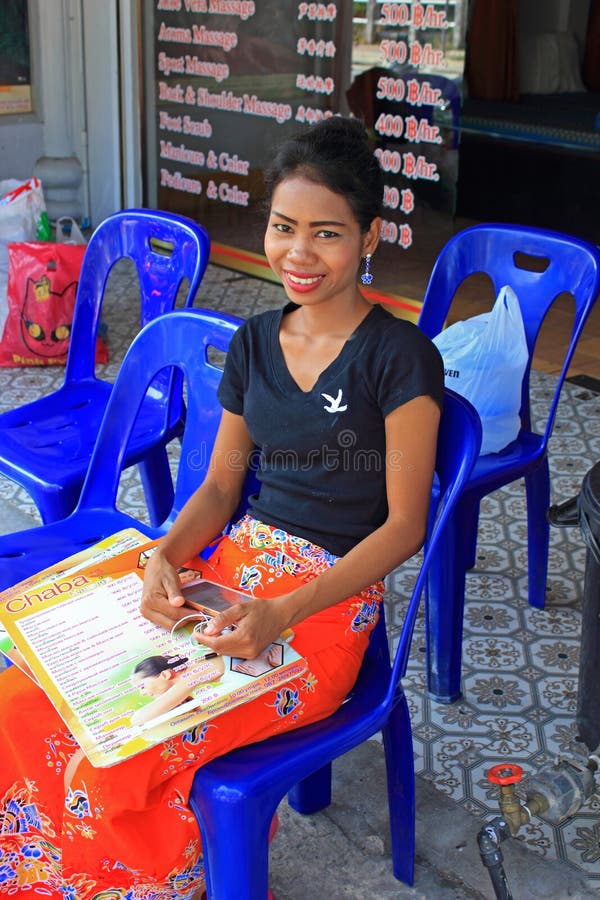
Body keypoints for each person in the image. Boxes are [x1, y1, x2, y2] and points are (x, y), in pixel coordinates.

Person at [0, 115, 443, 899]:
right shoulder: (255, 344)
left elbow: (404, 526)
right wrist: (166, 556)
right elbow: (217, 488)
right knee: (27, 693)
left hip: (323, 614)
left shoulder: (400, 357)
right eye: (283, 227)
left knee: (124, 739)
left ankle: (134, 882)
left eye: (327, 234)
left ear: (369, 237)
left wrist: (281, 611)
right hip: (227, 573)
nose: (299, 254)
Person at [130, 653, 225, 727]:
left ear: (165, 675)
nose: (142, 693)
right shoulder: (194, 670)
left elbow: (138, 719)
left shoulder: (190, 676)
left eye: (142, 687)